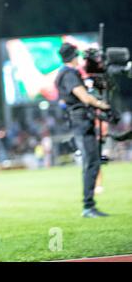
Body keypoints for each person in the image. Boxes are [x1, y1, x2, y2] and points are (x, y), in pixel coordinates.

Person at [54, 43, 110, 218]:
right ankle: (88, 206)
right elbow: (84, 97)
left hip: (80, 121)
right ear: (74, 56)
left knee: (92, 161)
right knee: (91, 162)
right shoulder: (69, 74)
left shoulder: (64, 73)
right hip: (81, 121)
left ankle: (89, 205)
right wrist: (102, 105)